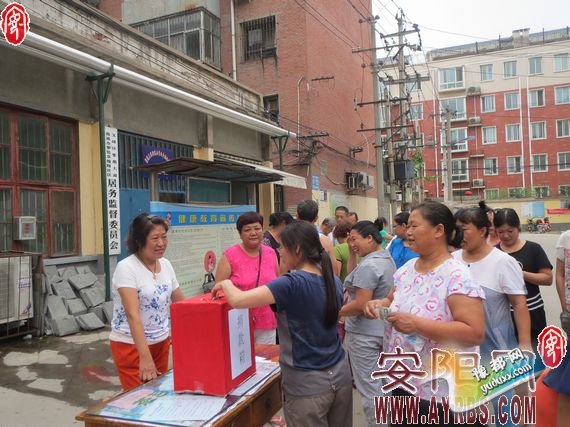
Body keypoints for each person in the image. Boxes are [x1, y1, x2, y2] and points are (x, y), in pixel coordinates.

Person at [213, 221, 353, 427]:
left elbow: (238, 300)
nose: (280, 253)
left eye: (282, 248)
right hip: (340, 376)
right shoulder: (333, 280)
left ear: (297, 249)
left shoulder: (290, 284)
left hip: (307, 386)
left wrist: (225, 283)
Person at [364, 201, 486, 426]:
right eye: (407, 226)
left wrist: (417, 325)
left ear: (438, 230)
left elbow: (474, 333)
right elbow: (391, 300)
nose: (408, 232)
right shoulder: (406, 270)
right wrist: (378, 304)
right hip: (403, 381)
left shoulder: (457, 276)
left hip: (439, 394)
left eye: (414, 226)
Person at [453, 202, 530, 427]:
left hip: (496, 345)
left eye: (464, 229)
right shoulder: (452, 260)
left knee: (502, 403)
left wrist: (525, 343)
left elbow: (519, 303)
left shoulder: (503, 262)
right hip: (461, 346)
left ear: (483, 231)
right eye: (456, 229)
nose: (458, 235)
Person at [109, 213, 185, 391]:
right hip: (131, 346)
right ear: (139, 240)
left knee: (160, 395)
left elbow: (180, 302)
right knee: (139, 399)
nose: (161, 243)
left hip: (161, 342)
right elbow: (132, 315)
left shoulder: (166, 264)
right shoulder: (126, 268)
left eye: (164, 237)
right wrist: (144, 357)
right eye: (155, 238)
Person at [340, 220, 395, 427]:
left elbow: (361, 304)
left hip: (364, 334)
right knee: (384, 385)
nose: (352, 244)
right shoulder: (385, 259)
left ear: (370, 238)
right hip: (383, 330)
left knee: (370, 388)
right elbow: (354, 279)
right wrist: (352, 252)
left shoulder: (369, 265)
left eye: (355, 240)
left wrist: (335, 313)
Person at [494, 208, 553, 368]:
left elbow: (547, 279)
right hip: (504, 314)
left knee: (535, 355)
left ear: (518, 228)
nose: (506, 236)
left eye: (510, 231)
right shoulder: (494, 253)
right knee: (509, 359)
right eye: (501, 232)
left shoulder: (533, 249)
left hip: (533, 311)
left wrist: (519, 273)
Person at [216, 211, 279, 344]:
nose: (253, 233)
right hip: (238, 322)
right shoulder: (229, 256)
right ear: (240, 234)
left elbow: (278, 283)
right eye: (247, 230)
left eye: (257, 228)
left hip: (267, 322)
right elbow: (219, 289)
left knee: (265, 355)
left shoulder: (271, 253)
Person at [297, 200, 340, 276]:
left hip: (294, 281)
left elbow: (282, 270)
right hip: (319, 281)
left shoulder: (288, 238)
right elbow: (334, 272)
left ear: (297, 216)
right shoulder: (325, 241)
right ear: (316, 218)